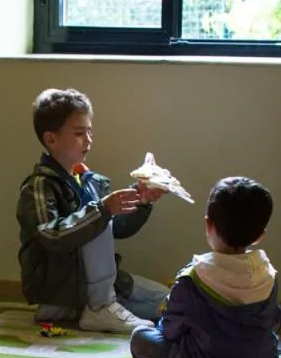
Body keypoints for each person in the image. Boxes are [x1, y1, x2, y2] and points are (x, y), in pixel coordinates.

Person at [16, 88, 169, 334]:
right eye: (78, 133)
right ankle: (98, 308)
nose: (88, 139)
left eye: (89, 131)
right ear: (51, 139)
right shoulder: (39, 186)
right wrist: (102, 210)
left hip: (98, 282)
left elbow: (117, 229)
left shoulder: (90, 181)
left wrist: (142, 199)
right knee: (97, 218)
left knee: (171, 304)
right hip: (60, 288)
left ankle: (102, 303)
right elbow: (51, 236)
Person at [129, 176, 281, 358]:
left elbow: (170, 329)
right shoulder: (268, 274)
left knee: (140, 337)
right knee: (268, 339)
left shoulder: (193, 277)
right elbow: (272, 321)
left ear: (208, 224)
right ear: (259, 236)